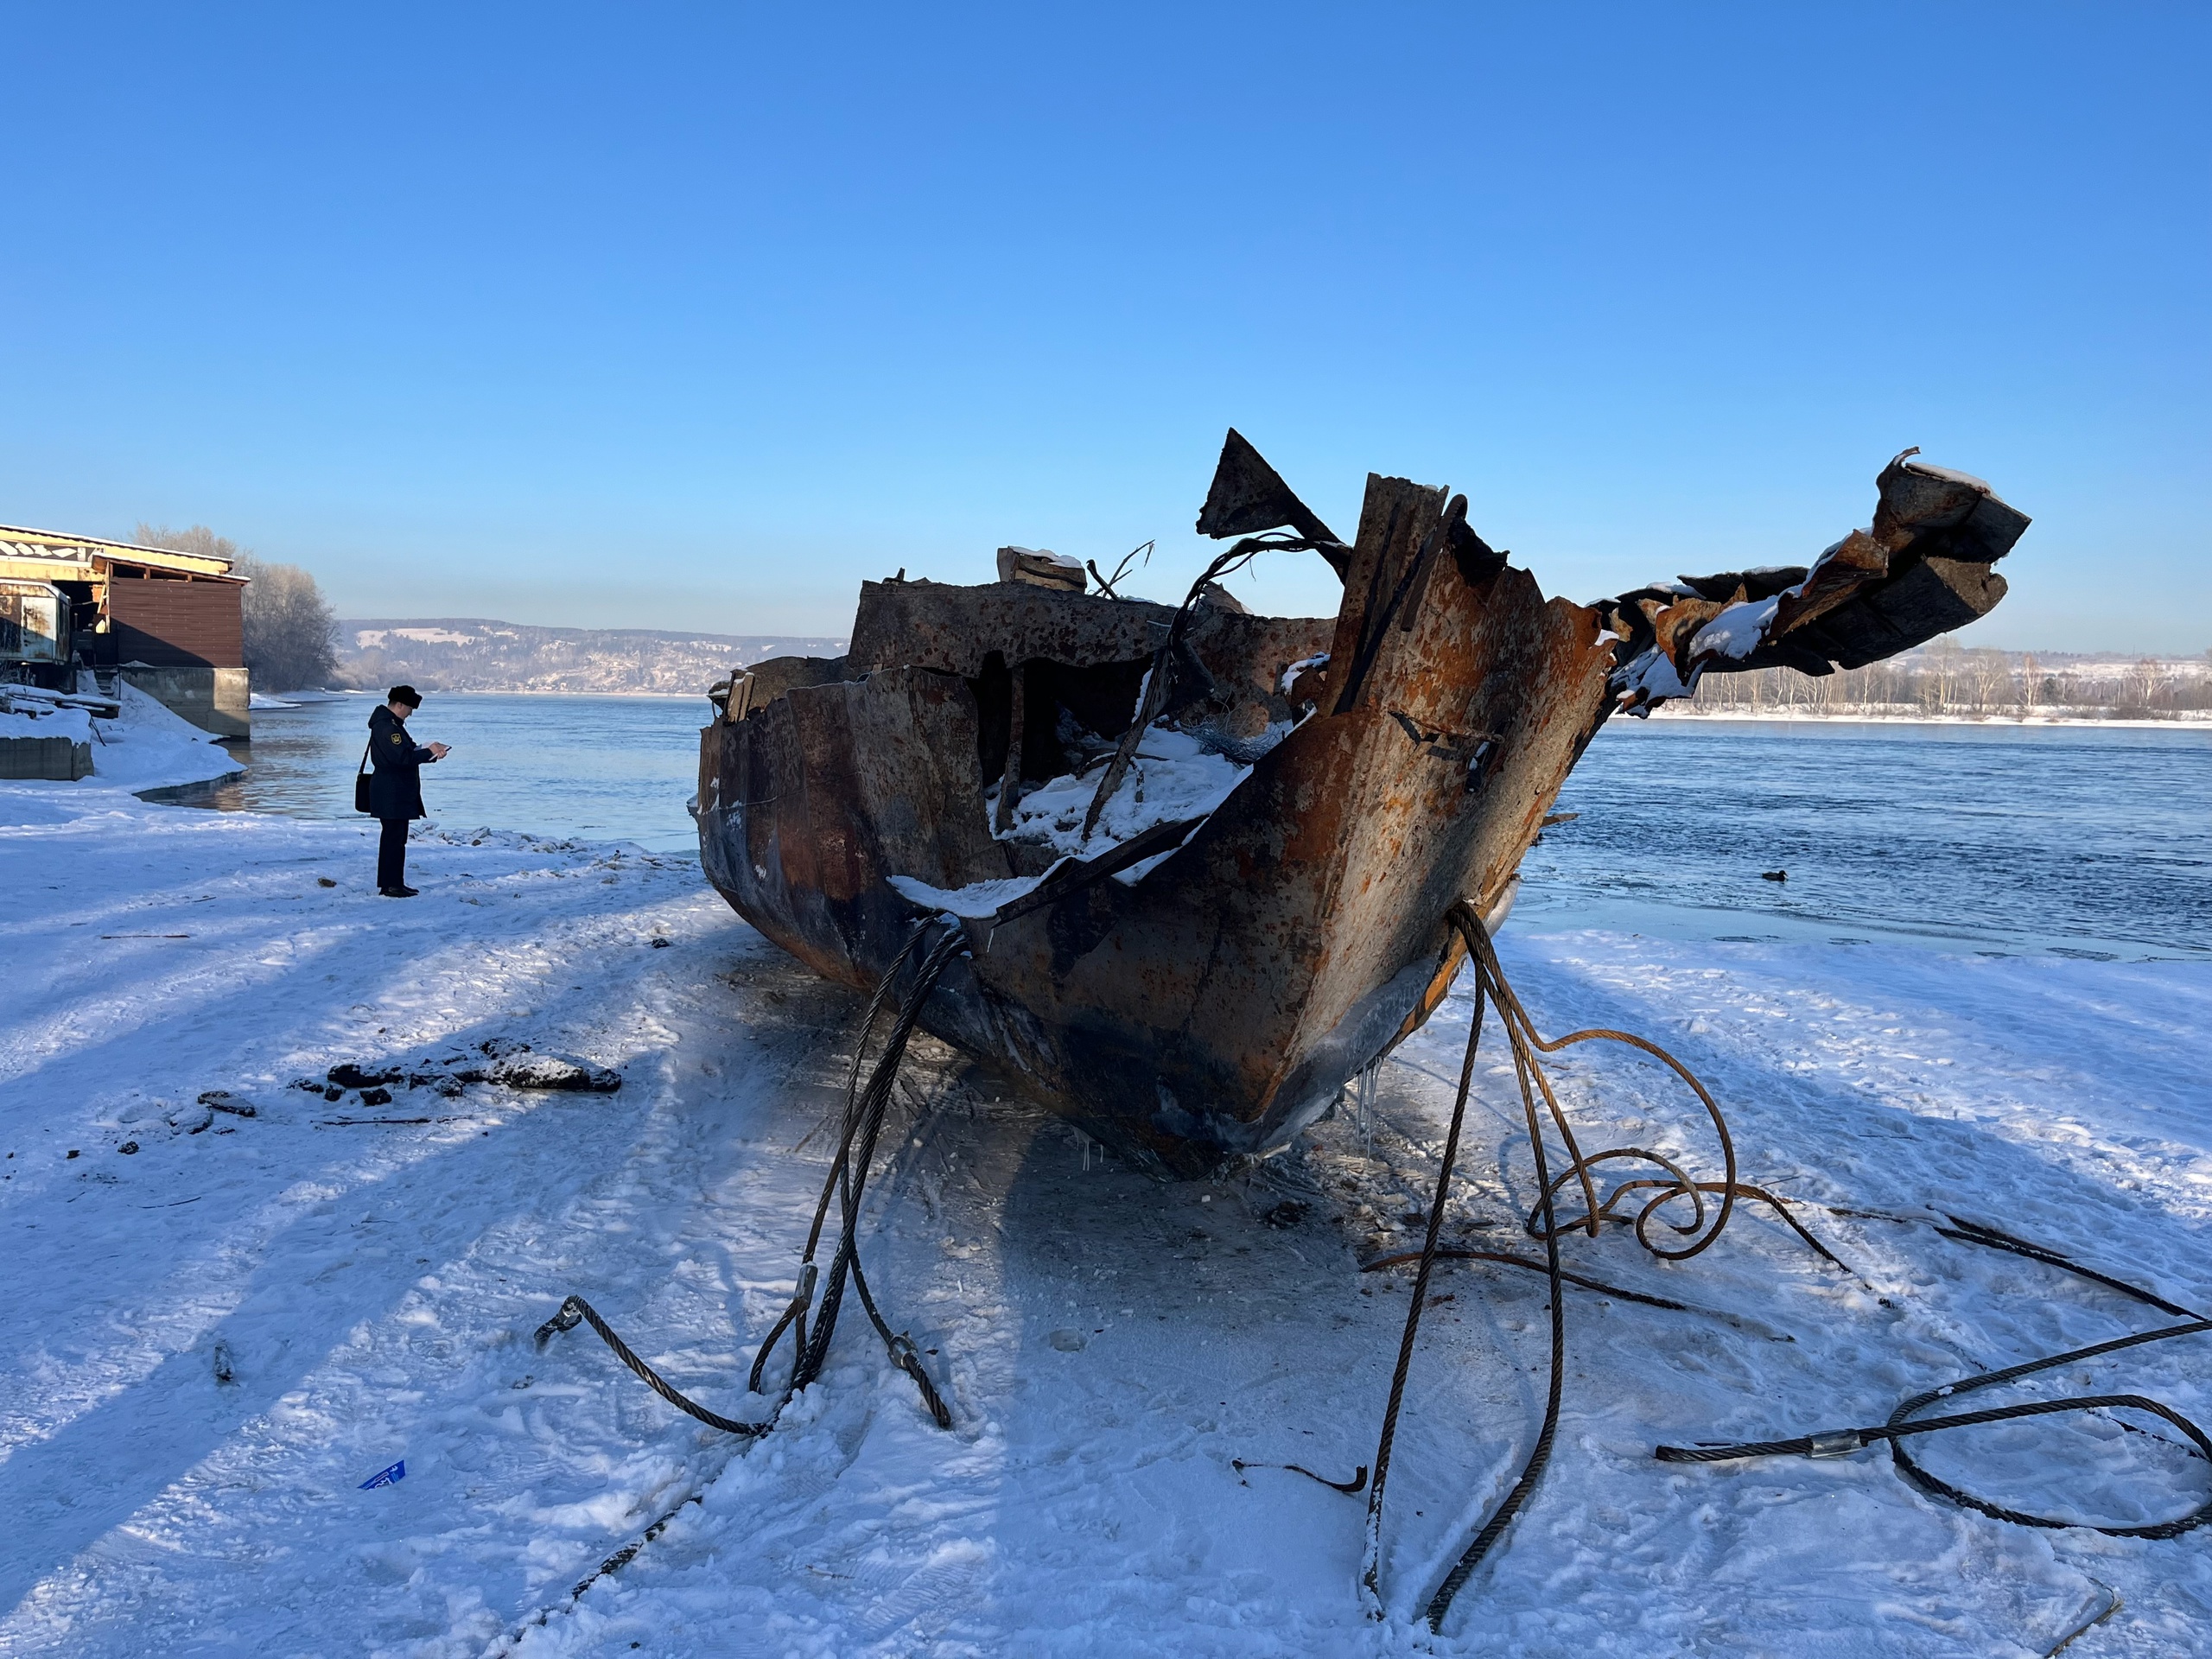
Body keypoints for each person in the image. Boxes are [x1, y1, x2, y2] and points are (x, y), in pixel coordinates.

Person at [366, 685, 448, 897]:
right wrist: (428, 752)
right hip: (392, 791)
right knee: (393, 839)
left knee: (396, 838)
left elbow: (408, 751)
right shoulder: (388, 728)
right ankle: (391, 885)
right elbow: (403, 758)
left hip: (393, 790)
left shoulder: (391, 725)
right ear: (400, 705)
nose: (411, 713)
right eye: (410, 708)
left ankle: (394, 882)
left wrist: (430, 752)